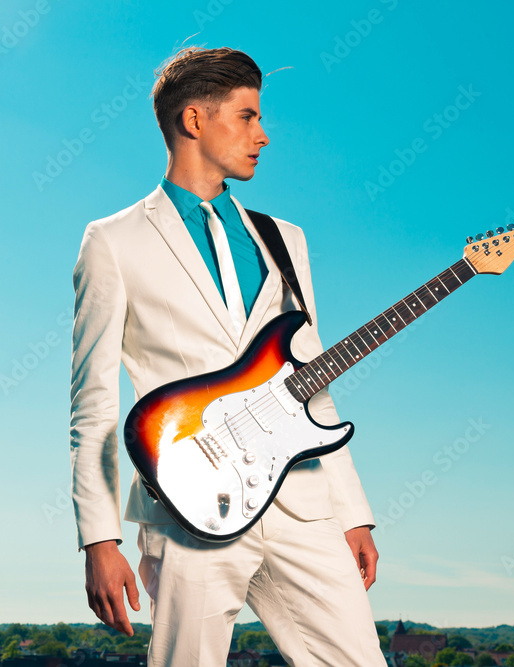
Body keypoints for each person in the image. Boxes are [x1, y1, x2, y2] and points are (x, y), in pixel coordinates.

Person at [69, 46, 387, 666]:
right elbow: (94, 403)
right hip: (188, 501)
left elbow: (311, 382)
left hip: (301, 501)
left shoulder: (285, 240)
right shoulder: (112, 242)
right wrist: (98, 539)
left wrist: (353, 512)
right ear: (194, 120)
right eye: (247, 117)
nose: (263, 136)